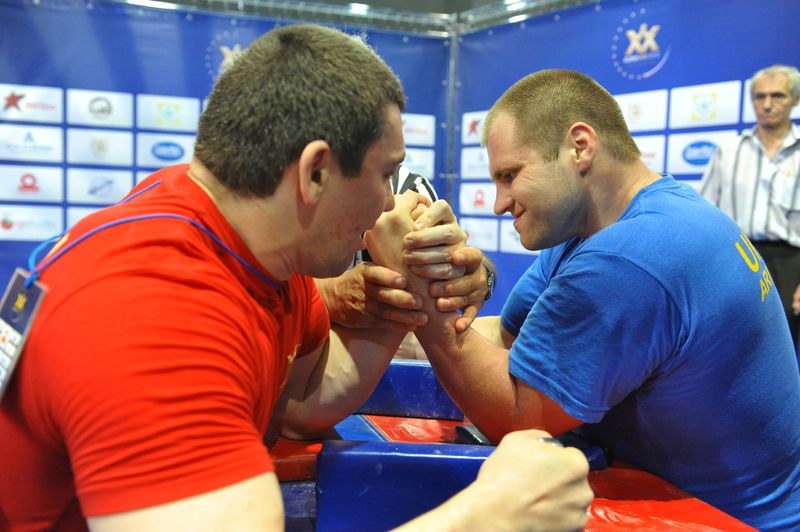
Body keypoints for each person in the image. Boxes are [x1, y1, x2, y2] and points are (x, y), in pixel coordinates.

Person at [0, 26, 593, 530]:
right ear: (315, 173)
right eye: (386, 176)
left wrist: (402, 288)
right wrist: (493, 515)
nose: (390, 202)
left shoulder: (247, 242)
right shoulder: (156, 313)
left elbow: (304, 396)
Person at [366, 69, 800, 530]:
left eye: (510, 175)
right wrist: (401, 305)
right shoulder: (594, 229)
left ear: (579, 146)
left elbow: (517, 418)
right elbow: (508, 338)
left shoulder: (633, 256)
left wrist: (417, 290)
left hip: (732, 521)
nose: (499, 203)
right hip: (670, 496)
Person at [316, 164, 497, 360]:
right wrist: (327, 295)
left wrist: (477, 273)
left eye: (388, 172)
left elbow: (449, 270)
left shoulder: (408, 190)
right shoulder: (301, 193)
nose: (389, 203)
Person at [700, 64, 800, 347]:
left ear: (795, 99)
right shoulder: (728, 152)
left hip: (791, 264)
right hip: (735, 257)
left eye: (777, 96)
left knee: (779, 351)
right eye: (759, 96)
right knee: (727, 346)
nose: (767, 104)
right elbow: (704, 212)